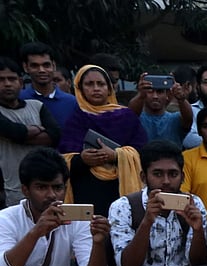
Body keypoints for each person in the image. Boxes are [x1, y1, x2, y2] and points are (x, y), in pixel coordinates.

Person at [59, 65, 146, 216]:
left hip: (121, 190)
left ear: (110, 88)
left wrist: (117, 155)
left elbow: (144, 152)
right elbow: (63, 159)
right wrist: (82, 159)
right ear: (79, 88)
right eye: (89, 84)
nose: (96, 88)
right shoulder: (76, 119)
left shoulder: (126, 117)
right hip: (87, 191)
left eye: (101, 84)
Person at [0, 56, 61, 207]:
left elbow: (55, 135)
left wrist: (19, 135)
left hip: (44, 187)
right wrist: (34, 130)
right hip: (8, 189)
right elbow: (14, 131)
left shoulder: (36, 106)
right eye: (1, 80)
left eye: (12, 79)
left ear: (20, 83)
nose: (7, 84)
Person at [18, 43, 76, 129]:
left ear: (54, 66)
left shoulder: (72, 102)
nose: (41, 70)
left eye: (46, 65)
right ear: (26, 67)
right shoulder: (18, 99)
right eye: (35, 66)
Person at [129, 72, 193, 145]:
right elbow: (130, 116)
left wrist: (181, 99)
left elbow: (188, 119)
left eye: (160, 92)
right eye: (150, 91)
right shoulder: (139, 119)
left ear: (167, 95)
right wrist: (140, 95)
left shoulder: (175, 119)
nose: (155, 96)